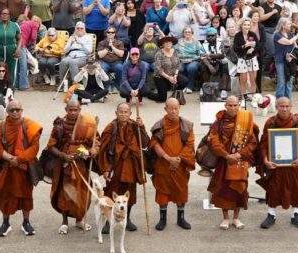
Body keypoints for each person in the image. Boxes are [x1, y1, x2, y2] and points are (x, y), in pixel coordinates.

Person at [0, 99, 42, 237]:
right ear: (7, 111)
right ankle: (5, 223)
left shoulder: (29, 125)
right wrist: (10, 158)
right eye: (12, 110)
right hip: (8, 167)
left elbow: (34, 147)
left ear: (22, 110)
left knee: (26, 196)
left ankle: (26, 222)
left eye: (18, 109)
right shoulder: (2, 126)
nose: (15, 112)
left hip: (24, 167)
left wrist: (19, 159)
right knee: (6, 196)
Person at [45, 97, 98, 235]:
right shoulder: (59, 125)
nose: (73, 112)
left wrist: (93, 151)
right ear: (66, 110)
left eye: (76, 110)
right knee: (64, 194)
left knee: (81, 192)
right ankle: (64, 222)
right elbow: (51, 146)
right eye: (71, 110)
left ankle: (79, 220)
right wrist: (63, 156)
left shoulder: (88, 123)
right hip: (63, 165)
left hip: (80, 164)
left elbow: (95, 142)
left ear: (80, 110)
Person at [205, 95, 259, 229]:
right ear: (225, 106)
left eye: (235, 105)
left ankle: (236, 218)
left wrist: (240, 154)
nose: (233, 108)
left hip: (240, 161)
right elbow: (214, 142)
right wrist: (226, 155)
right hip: (224, 161)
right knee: (223, 189)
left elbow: (252, 142)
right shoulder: (218, 123)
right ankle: (225, 218)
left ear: (239, 105)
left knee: (239, 189)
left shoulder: (246, 120)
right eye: (230, 105)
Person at [257, 96, 298, 229]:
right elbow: (263, 144)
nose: (284, 109)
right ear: (277, 107)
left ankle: (296, 215)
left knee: (296, 188)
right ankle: (271, 214)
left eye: (287, 106)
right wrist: (265, 160)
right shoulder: (271, 122)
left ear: (291, 107)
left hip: (294, 163)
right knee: (273, 188)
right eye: (281, 106)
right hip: (276, 164)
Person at [97, 101, 149, 233]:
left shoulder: (135, 125)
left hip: (131, 165)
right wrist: (105, 169)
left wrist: (142, 127)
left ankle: (127, 218)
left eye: (126, 112)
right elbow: (102, 149)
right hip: (116, 165)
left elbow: (145, 143)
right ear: (116, 113)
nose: (123, 114)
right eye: (121, 111)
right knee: (111, 192)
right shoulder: (111, 128)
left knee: (129, 194)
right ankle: (109, 222)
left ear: (130, 113)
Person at [148, 97, 195, 230]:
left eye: (176, 108)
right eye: (171, 108)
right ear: (165, 109)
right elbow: (154, 144)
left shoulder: (186, 125)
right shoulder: (160, 125)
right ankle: (162, 219)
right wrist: (168, 158)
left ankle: (181, 218)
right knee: (162, 191)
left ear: (179, 108)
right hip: (163, 164)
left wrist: (178, 159)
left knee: (181, 190)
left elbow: (190, 144)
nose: (174, 111)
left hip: (180, 164)